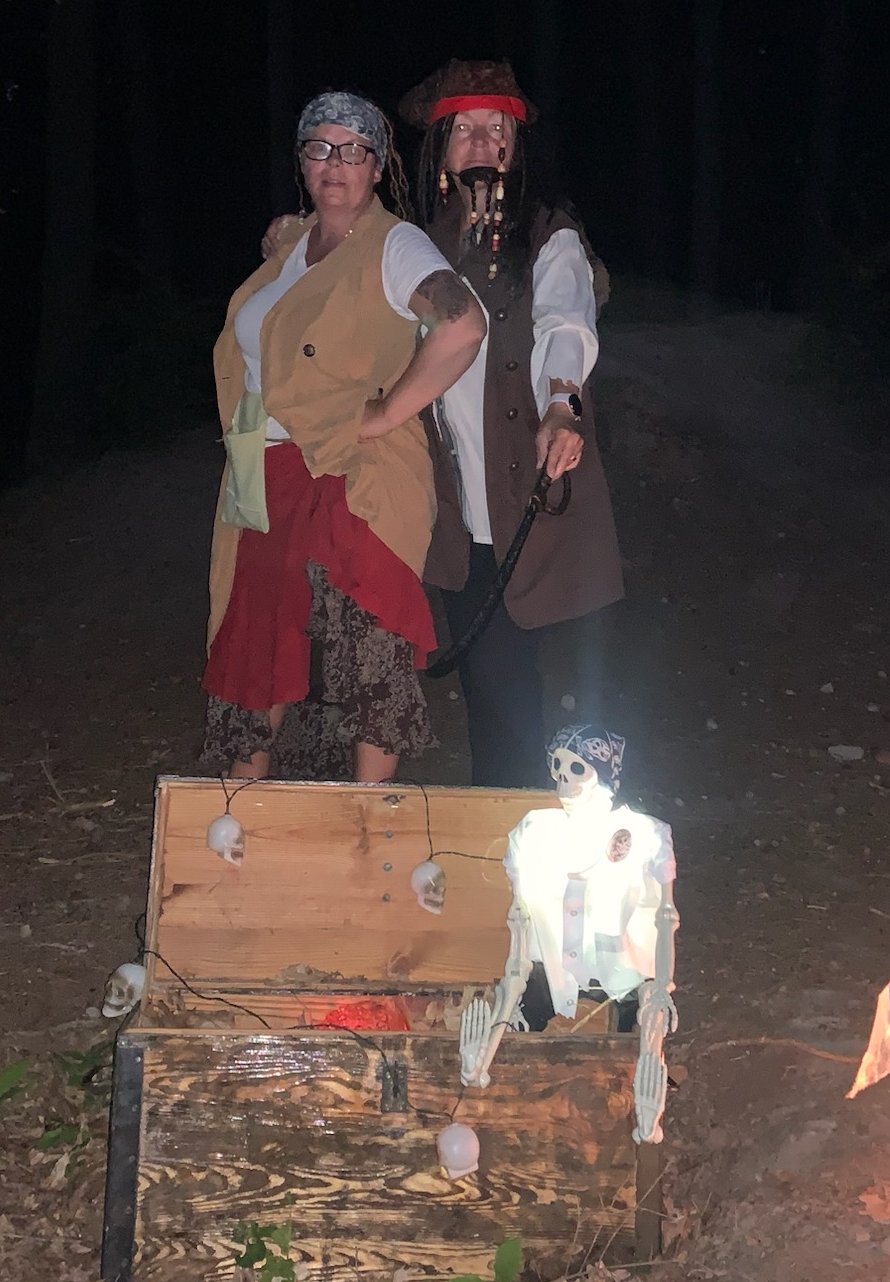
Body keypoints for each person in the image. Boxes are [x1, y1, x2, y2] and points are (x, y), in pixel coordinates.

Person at [261, 60, 623, 788]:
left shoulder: (547, 235)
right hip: (458, 508)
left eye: (496, 128)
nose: (482, 143)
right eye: (464, 130)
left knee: (561, 683)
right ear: (441, 149)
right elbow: (357, 257)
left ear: (516, 144)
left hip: (533, 488)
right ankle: (508, 822)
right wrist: (297, 235)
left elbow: (564, 321)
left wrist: (562, 404)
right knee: (491, 680)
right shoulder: (422, 240)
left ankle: (571, 831)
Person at [201, 91, 487, 783]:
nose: (336, 163)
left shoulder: (395, 244)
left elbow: (462, 324)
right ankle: (238, 814)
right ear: (302, 161)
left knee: (368, 640)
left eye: (355, 150)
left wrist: (385, 414)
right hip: (262, 463)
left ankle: (368, 817)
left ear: (379, 166)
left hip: (355, 468)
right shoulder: (289, 246)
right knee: (256, 635)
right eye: (320, 147)